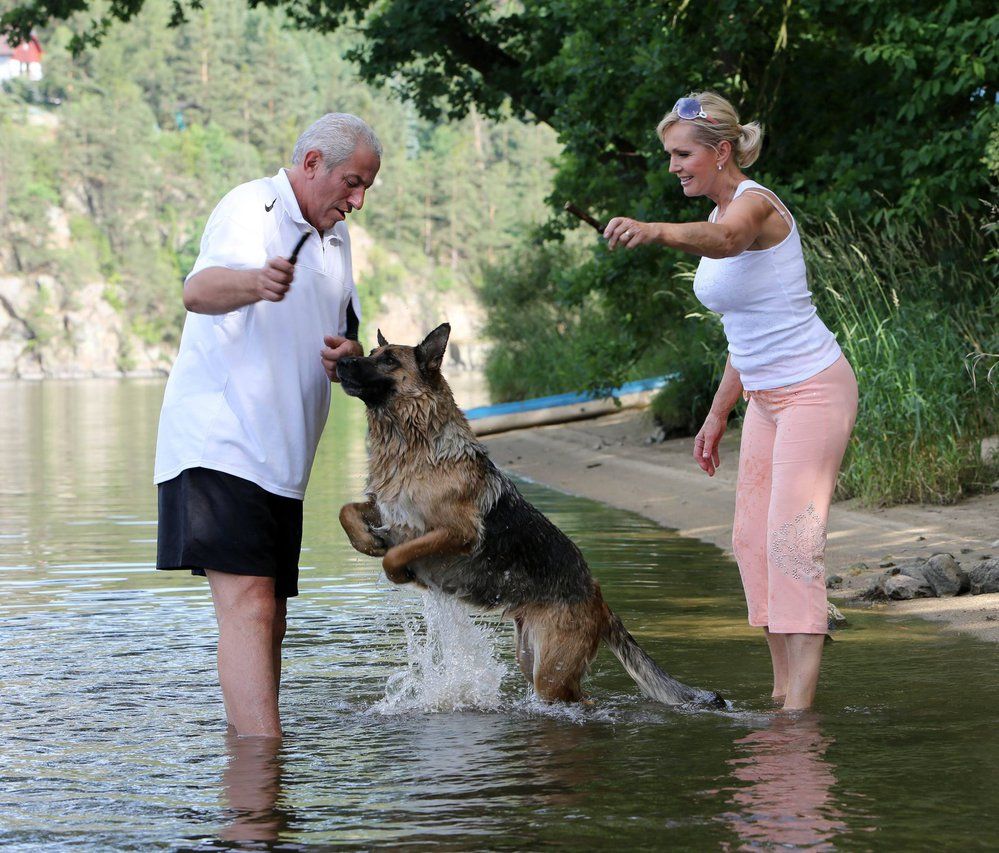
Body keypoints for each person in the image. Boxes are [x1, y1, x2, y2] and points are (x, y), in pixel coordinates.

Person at [603, 91, 857, 711]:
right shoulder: (721, 210)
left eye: (682, 154)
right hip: (766, 398)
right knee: (749, 539)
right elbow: (745, 336)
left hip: (815, 390)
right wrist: (718, 414)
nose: (673, 167)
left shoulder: (754, 206)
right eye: (669, 155)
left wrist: (658, 230)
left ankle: (798, 712)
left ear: (721, 151)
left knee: (790, 542)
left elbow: (726, 240)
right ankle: (780, 691)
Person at [154, 113, 382, 737]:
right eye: (352, 183)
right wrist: (256, 281)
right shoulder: (251, 208)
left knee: (269, 615)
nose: (358, 201)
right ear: (312, 163)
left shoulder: (336, 240)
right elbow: (198, 291)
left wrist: (348, 359)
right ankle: (260, 776)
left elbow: (347, 339)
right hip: (222, 442)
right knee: (250, 606)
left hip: (283, 461)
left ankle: (255, 778)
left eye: (366, 188)